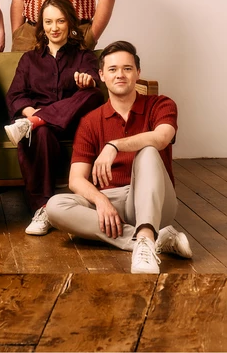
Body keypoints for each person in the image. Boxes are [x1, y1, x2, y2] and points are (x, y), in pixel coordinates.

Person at [46, 41, 192, 274]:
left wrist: (114, 145)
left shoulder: (161, 104)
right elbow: (75, 180)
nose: (120, 75)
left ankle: (146, 234)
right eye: (112, 70)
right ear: (102, 75)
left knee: (148, 150)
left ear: (137, 73)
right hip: (111, 201)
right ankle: (149, 240)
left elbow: (162, 137)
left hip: (158, 200)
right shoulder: (91, 121)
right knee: (55, 206)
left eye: (127, 68)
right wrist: (101, 201)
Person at [4, 0, 104, 236]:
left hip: (75, 125)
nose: (54, 27)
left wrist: (88, 81)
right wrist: (30, 112)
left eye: (60, 21)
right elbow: (15, 95)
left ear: (70, 23)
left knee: (94, 95)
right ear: (42, 25)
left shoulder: (84, 56)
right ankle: (43, 209)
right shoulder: (29, 59)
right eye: (48, 22)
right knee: (42, 132)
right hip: (42, 130)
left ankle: (35, 122)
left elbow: (94, 82)